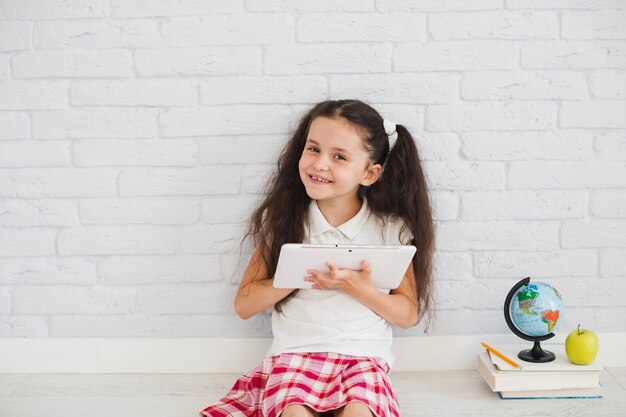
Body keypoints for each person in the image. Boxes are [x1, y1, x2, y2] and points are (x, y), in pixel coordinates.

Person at [200, 99, 434, 417]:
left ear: (369, 173)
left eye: (338, 156)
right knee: (293, 411)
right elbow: (245, 304)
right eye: (313, 149)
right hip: (295, 354)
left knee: (360, 412)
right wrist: (298, 273)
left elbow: (407, 314)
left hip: (361, 357)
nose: (319, 164)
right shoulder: (283, 221)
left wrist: (358, 288)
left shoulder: (389, 229)